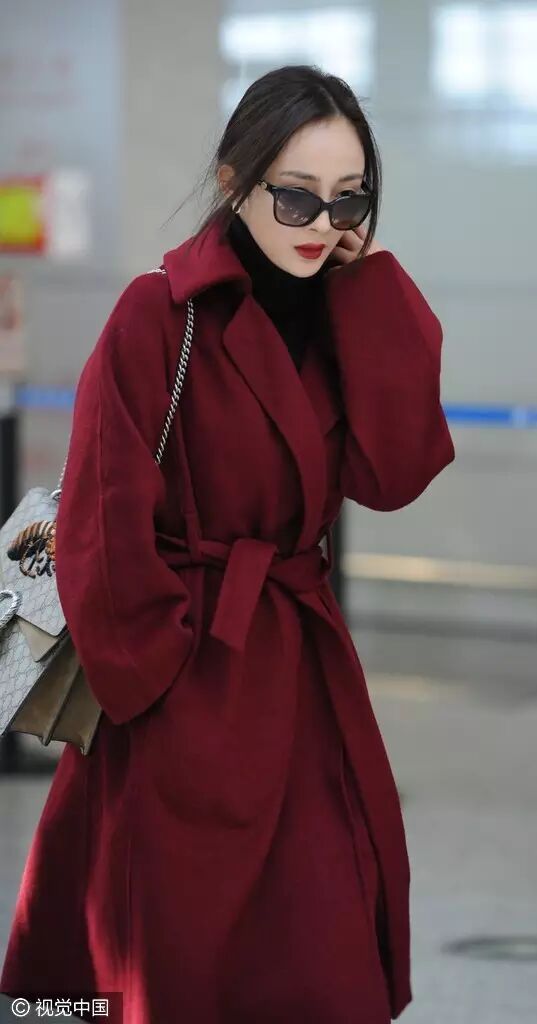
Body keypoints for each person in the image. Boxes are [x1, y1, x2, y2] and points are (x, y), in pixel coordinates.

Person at [0, 65, 454, 1023]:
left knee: (324, 953)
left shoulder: (342, 308)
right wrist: (156, 680)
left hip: (299, 675)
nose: (320, 222)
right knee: (178, 958)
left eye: (348, 198)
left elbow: (395, 473)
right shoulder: (156, 315)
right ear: (235, 179)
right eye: (296, 195)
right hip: (183, 679)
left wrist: (373, 286)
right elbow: (101, 520)